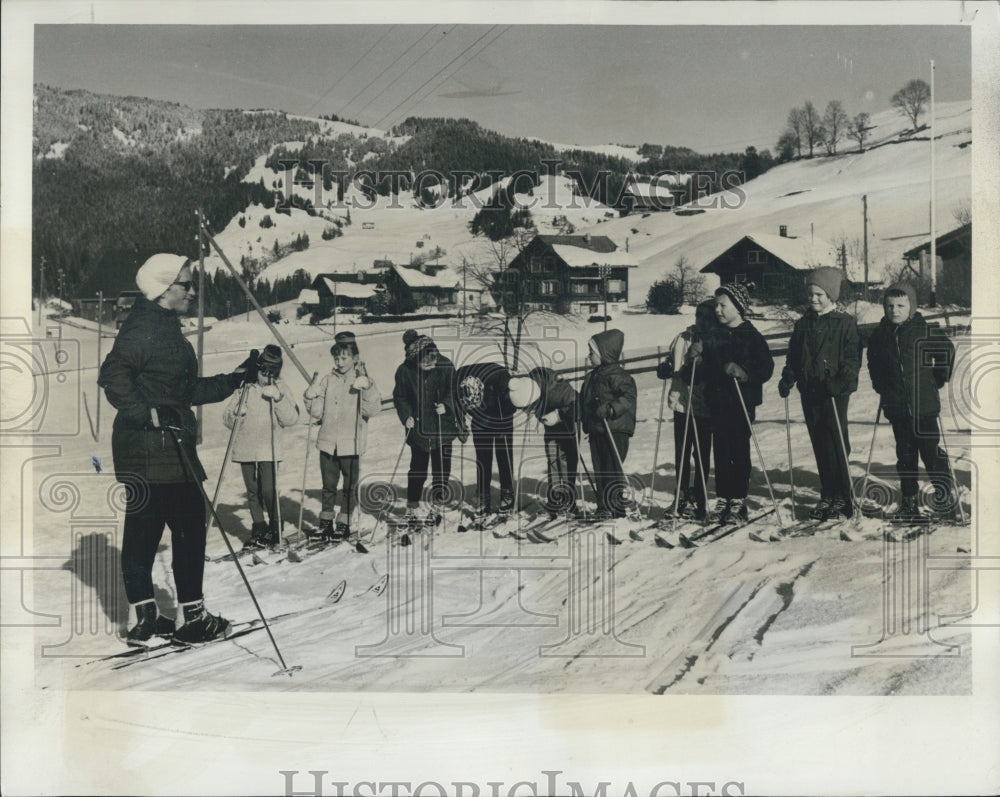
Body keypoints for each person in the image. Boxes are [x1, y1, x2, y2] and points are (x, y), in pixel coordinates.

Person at [98, 253, 257, 645]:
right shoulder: (145, 330)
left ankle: (146, 617)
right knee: (188, 525)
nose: (192, 291)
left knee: (144, 530)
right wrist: (150, 414)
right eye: (186, 285)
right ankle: (194, 620)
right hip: (159, 450)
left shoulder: (160, 326)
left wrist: (234, 379)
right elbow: (111, 377)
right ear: (163, 289)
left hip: (151, 449)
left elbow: (184, 392)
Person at [866, 283, 956, 522]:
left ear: (912, 307)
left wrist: (938, 378)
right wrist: (880, 385)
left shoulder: (923, 331)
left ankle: (944, 496)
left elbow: (946, 351)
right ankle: (909, 501)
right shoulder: (880, 335)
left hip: (924, 406)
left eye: (900, 306)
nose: (894, 310)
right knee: (905, 455)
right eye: (889, 306)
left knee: (930, 453)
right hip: (896, 407)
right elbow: (873, 363)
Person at [778, 268, 861, 521]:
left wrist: (840, 382)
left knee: (836, 442)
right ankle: (827, 494)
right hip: (810, 390)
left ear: (831, 295)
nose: (813, 299)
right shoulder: (803, 324)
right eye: (810, 294)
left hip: (834, 393)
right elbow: (794, 355)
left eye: (819, 294)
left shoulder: (844, 323)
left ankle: (844, 497)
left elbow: (852, 359)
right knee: (819, 442)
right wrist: (788, 377)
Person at [690, 283, 774, 524]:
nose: (717, 310)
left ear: (738, 308)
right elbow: (708, 365)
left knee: (738, 450)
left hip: (741, 402)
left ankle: (738, 499)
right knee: (722, 451)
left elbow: (766, 367)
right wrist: (697, 359)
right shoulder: (714, 334)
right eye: (716, 305)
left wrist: (744, 372)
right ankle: (723, 498)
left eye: (722, 305)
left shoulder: (751, 335)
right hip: (717, 401)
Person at [303, 337, 382, 541]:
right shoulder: (328, 380)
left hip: (351, 442)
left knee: (349, 486)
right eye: (337, 358)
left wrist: (368, 387)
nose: (339, 362)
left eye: (344, 358)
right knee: (328, 486)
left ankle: (344, 522)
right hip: (328, 442)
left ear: (355, 358)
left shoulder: (361, 379)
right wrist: (310, 397)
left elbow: (372, 409)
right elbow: (317, 412)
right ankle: (326, 522)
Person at [222, 345, 300, 549]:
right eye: (262, 372)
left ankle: (275, 524)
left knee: (268, 490)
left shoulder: (281, 388)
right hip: (246, 448)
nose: (265, 377)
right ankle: (258, 526)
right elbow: (227, 418)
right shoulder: (245, 388)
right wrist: (237, 415)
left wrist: (279, 399)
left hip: (269, 449)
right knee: (252, 491)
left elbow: (291, 419)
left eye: (270, 373)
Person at [392, 335, 463, 526]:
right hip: (419, 430)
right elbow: (400, 396)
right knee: (417, 470)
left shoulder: (445, 366)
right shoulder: (404, 371)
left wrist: (446, 405)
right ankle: (412, 508)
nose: (432, 364)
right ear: (415, 360)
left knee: (441, 470)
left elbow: (454, 391)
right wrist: (406, 415)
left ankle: (437, 506)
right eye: (426, 362)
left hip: (443, 429)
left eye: (434, 359)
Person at [657, 299, 717, 520]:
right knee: (681, 451)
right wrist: (665, 367)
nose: (701, 320)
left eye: (706, 316)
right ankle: (681, 494)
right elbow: (671, 358)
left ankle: (701, 498)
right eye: (698, 315)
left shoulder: (714, 339)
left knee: (701, 453)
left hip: (704, 406)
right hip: (682, 404)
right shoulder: (683, 337)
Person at [579, 329, 637, 520]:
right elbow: (584, 401)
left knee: (612, 468)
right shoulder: (591, 376)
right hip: (597, 430)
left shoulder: (619, 376)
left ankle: (616, 507)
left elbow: (628, 397)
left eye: (592, 352)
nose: (588, 356)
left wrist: (611, 408)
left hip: (615, 429)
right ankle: (603, 506)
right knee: (601, 469)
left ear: (605, 354)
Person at [509, 367, 580, 519]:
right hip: (551, 423)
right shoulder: (527, 387)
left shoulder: (557, 391)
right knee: (553, 458)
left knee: (566, 460)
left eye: (529, 409)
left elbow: (578, 405)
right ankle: (555, 498)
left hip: (568, 423)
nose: (528, 412)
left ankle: (569, 500)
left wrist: (559, 415)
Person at [455, 361, 516, 519]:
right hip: (480, 421)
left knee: (504, 455)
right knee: (482, 458)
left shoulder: (499, 377)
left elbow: (513, 402)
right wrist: (461, 424)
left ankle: (507, 494)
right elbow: (455, 403)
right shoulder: (458, 380)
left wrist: (504, 422)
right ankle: (483, 497)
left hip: (502, 413)